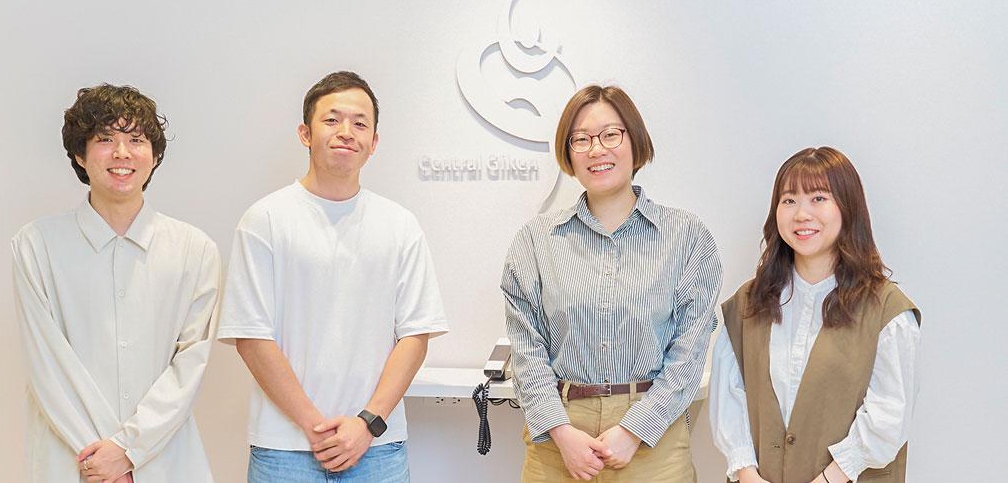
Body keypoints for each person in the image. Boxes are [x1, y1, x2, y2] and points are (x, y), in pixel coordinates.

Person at [217, 71, 449, 483]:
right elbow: (251, 337)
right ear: (305, 133)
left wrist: (367, 423)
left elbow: (415, 335)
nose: (346, 132)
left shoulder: (399, 225)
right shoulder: (264, 220)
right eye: (331, 120)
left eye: (360, 123)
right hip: (284, 449)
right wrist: (315, 427)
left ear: (373, 142)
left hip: (378, 447)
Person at [502, 84, 723, 482]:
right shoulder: (535, 240)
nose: (596, 150)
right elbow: (526, 349)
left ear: (635, 142)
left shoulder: (686, 236)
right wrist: (561, 432)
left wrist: (635, 430)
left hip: (654, 436)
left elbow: (689, 351)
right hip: (558, 436)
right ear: (568, 153)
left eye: (610, 135)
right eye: (581, 139)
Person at [11, 84, 220, 482]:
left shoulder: (195, 250)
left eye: (136, 140)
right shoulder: (36, 245)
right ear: (80, 154)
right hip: (72, 459)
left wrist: (129, 450)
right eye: (105, 139)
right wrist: (102, 459)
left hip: (165, 462)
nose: (122, 153)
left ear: (154, 156)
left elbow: (189, 366)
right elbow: (47, 365)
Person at [710, 147, 921, 483]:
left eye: (818, 198)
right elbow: (730, 405)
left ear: (848, 207)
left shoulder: (887, 310)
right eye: (789, 200)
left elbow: (888, 418)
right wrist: (748, 475)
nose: (801, 214)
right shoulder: (747, 304)